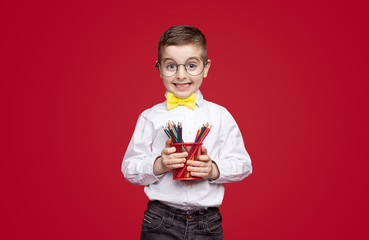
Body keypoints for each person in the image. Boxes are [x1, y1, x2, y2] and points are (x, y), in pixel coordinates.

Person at [122, 25, 252, 240]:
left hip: (207, 223)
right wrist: (159, 165)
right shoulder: (149, 117)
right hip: (160, 219)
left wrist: (213, 170)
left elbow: (243, 165)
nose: (181, 75)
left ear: (206, 67)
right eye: (171, 66)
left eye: (191, 65)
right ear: (159, 68)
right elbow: (129, 169)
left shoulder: (220, 115)